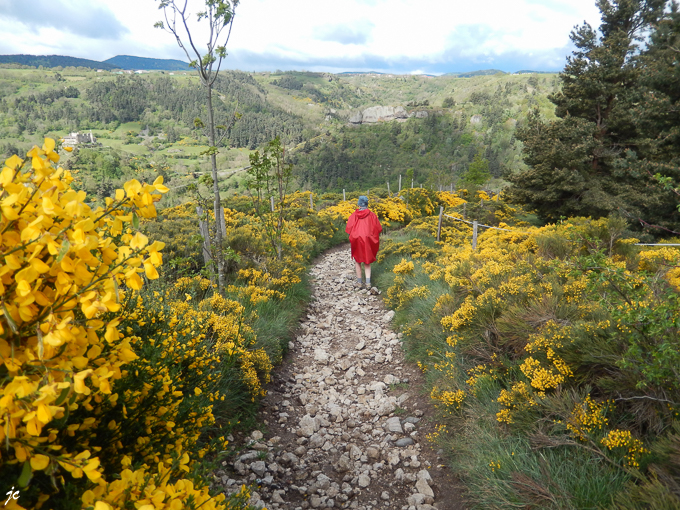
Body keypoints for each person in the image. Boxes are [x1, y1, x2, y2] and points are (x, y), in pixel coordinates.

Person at [345, 195, 382, 289]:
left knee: (357, 260)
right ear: (367, 204)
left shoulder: (354, 215)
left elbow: (348, 229)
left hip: (356, 239)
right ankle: (368, 283)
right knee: (367, 261)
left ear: (359, 205)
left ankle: (359, 282)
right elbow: (378, 229)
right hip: (368, 240)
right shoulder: (372, 215)